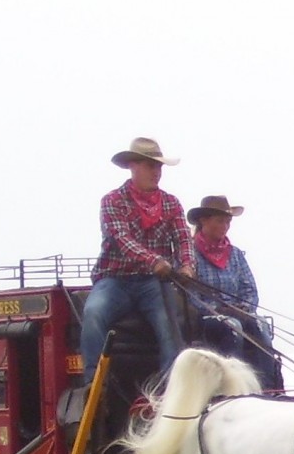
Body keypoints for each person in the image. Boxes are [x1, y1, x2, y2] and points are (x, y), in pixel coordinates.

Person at [80, 137, 196, 385]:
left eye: (159, 167)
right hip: (115, 280)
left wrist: (187, 265)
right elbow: (122, 239)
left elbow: (183, 238)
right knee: (93, 314)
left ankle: (168, 387)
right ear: (133, 166)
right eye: (150, 166)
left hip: (154, 282)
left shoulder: (171, 203)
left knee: (170, 329)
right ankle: (94, 384)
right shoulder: (113, 201)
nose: (156, 172)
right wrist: (154, 260)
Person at [187, 194, 278, 387]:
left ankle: (269, 386)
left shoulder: (235, 254)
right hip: (206, 319)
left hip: (237, 313)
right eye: (221, 221)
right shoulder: (190, 253)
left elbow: (249, 289)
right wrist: (216, 310)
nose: (226, 226)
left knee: (260, 324)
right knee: (232, 326)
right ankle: (231, 386)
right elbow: (191, 295)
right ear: (204, 220)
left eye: (228, 221)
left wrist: (244, 308)